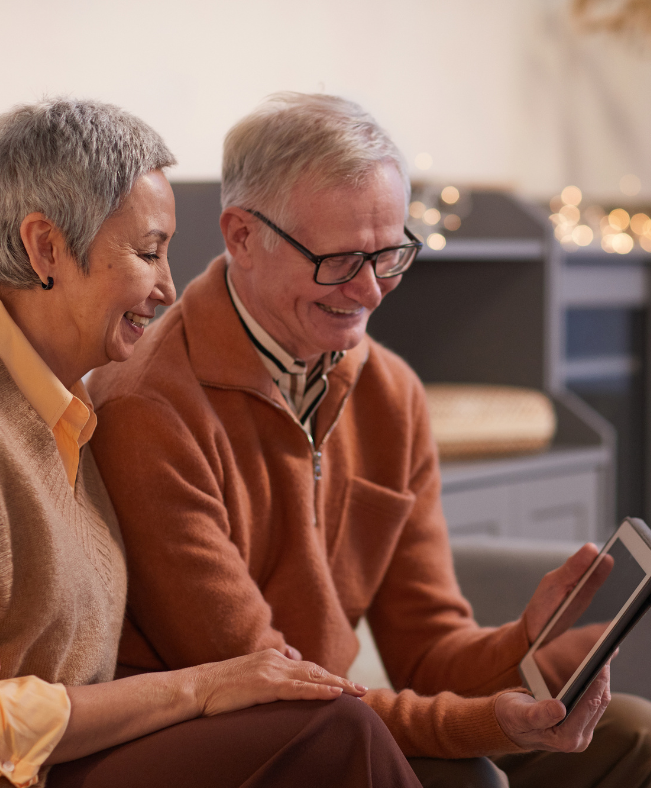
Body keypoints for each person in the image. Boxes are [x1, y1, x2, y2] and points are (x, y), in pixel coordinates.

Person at [88, 93, 651, 788]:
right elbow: (279, 686)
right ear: (242, 236)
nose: (371, 291)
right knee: (473, 779)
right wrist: (489, 724)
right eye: (340, 261)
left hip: (337, 721)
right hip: (233, 744)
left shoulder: (392, 393)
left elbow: (428, 650)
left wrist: (530, 642)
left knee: (641, 739)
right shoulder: (149, 408)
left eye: (391, 255)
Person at [0, 97, 422, 788]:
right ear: (46, 247)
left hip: (86, 755)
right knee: (336, 732)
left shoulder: (66, 410)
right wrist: (196, 689)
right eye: (147, 252)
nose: (168, 286)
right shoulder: (129, 407)